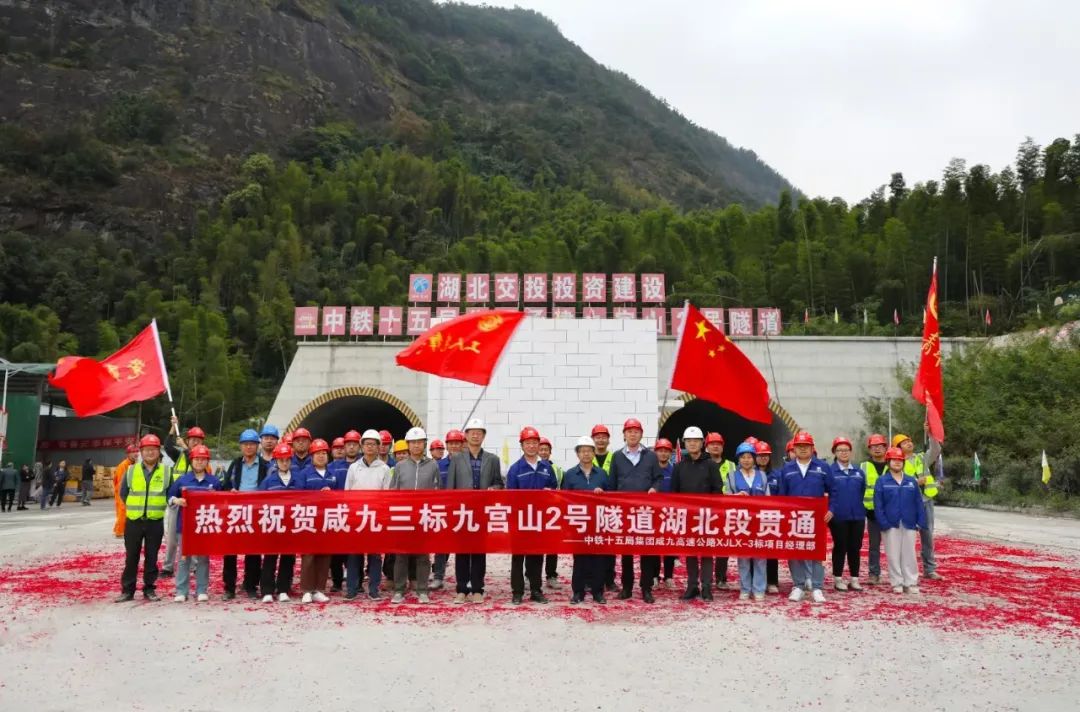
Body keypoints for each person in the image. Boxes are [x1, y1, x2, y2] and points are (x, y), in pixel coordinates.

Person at [445, 418, 504, 604]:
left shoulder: (493, 460)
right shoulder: (456, 459)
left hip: (482, 512)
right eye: (472, 431)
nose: (476, 434)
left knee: (479, 551)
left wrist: (495, 488)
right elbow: (450, 487)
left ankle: (478, 588)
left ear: (484, 436)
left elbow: (499, 483)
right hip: (462, 512)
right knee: (461, 551)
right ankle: (462, 589)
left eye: (479, 432)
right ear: (466, 435)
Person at [610, 417, 663, 604]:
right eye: (629, 431)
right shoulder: (617, 456)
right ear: (624, 435)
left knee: (646, 550)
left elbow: (658, 478)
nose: (632, 434)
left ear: (641, 434)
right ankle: (626, 587)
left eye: (636, 431)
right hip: (624, 510)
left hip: (645, 511)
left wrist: (654, 488)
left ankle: (646, 588)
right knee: (626, 551)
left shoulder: (650, 456)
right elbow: (612, 482)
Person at [116, 434, 174, 602]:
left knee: (152, 557)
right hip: (134, 521)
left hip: (154, 522)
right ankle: (128, 590)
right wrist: (138, 508)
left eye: (153, 450)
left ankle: (149, 589)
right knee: (131, 556)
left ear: (158, 452)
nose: (150, 453)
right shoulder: (131, 470)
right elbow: (123, 494)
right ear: (141, 452)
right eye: (147, 450)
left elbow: (170, 493)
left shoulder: (166, 471)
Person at [506, 426, 558, 605]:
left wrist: (549, 492)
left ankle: (536, 590)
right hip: (520, 520)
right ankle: (517, 591)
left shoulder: (546, 467)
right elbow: (510, 496)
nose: (531, 446)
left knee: (537, 556)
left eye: (534, 443)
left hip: (540, 520)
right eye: (527, 443)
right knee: (518, 557)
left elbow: (554, 490)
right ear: (522, 445)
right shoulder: (515, 469)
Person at [389, 427, 441, 605]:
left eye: (420, 442)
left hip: (424, 517)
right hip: (403, 516)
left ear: (424, 444)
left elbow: (438, 491)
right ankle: (398, 590)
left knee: (423, 556)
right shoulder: (400, 466)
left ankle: (422, 590)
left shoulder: (433, 465)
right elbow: (393, 491)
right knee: (401, 556)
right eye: (413, 442)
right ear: (408, 445)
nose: (417, 445)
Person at [778, 431, 831, 603]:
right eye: (799, 446)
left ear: (812, 448)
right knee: (795, 551)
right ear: (794, 448)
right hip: (794, 518)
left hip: (816, 519)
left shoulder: (822, 467)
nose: (802, 449)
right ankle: (798, 586)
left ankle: (817, 587)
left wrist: (832, 509)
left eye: (805, 446)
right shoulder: (787, 469)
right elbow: (781, 495)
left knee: (816, 553)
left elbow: (835, 491)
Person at [670, 426, 721, 601]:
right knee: (690, 552)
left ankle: (706, 587)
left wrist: (711, 510)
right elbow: (674, 493)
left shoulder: (711, 465)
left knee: (707, 553)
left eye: (696, 441)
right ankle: (692, 586)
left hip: (707, 517)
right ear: (685, 443)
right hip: (687, 517)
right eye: (689, 441)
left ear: (702, 443)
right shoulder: (679, 466)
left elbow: (717, 490)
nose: (692, 444)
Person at [167, 444, 222, 602]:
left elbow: (222, 504)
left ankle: (201, 589)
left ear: (207, 462)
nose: (199, 462)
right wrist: (177, 500)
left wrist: (215, 497)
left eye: (203, 459)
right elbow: (169, 497)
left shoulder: (214, 482)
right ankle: (181, 591)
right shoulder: (182, 480)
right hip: (185, 527)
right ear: (191, 461)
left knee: (203, 558)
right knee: (184, 558)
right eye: (196, 459)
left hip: (205, 527)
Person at [344, 430, 391, 600]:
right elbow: (347, 493)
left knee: (375, 556)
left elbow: (387, 495)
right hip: (357, 517)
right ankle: (352, 588)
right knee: (354, 555)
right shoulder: (353, 467)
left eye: (373, 444)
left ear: (379, 447)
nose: (370, 447)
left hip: (376, 518)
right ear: (361, 446)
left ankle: (373, 588)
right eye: (366, 444)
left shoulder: (385, 469)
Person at [221, 429, 268, 600]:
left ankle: (251, 586)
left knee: (254, 552)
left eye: (252, 444)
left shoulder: (264, 466)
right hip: (236, 512)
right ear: (241, 446)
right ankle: (229, 588)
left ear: (257, 446)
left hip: (256, 513)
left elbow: (269, 487)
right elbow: (225, 485)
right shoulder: (235, 464)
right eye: (245, 444)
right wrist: (230, 490)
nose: (249, 447)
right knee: (230, 551)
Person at [874, 446, 928, 594]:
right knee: (893, 554)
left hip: (909, 522)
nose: (897, 463)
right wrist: (883, 523)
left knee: (909, 553)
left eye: (900, 460)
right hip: (890, 524)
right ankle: (897, 582)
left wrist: (920, 522)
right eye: (894, 460)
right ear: (888, 462)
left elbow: (918, 502)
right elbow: (878, 505)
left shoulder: (911, 481)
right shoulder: (882, 481)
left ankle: (910, 582)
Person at [562, 435, 608, 605]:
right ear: (577, 454)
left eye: (589, 451)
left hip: (598, 523)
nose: (586, 454)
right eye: (582, 451)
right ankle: (578, 592)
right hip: (578, 524)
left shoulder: (602, 474)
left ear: (594, 453)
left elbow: (612, 499)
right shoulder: (570, 475)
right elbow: (564, 498)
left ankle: (598, 592)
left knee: (598, 560)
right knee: (579, 560)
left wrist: (602, 494)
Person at [894, 433, 944, 581]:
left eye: (909, 441)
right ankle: (904, 569)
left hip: (926, 500)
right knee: (906, 537)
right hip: (908, 503)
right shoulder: (896, 462)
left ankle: (929, 569)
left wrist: (931, 435)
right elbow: (897, 482)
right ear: (898, 448)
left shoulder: (921, 458)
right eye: (904, 443)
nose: (908, 443)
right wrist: (916, 482)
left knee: (927, 535)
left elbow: (935, 450)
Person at [728, 442, 770, 601]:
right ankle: (745, 588)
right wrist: (735, 497)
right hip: (741, 522)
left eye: (749, 457)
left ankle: (759, 588)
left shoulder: (763, 476)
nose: (746, 460)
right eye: (743, 457)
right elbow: (725, 498)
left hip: (760, 522)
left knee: (760, 556)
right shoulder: (732, 476)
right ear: (738, 459)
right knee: (744, 557)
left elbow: (768, 499)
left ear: (754, 459)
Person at [259, 443, 301, 602]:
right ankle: (267, 590)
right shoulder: (268, 481)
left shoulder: (298, 480)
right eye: (281, 460)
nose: (284, 462)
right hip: (273, 525)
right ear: (275, 461)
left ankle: (283, 589)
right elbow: (259, 501)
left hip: (291, 525)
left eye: (287, 459)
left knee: (288, 558)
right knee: (270, 558)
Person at [162, 422, 205, 577]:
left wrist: (186, 449)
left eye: (198, 440)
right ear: (187, 440)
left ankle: (193, 566)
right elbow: (167, 447)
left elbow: (194, 462)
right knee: (172, 537)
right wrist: (173, 427)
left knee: (191, 537)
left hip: (193, 504)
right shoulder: (180, 455)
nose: (194, 442)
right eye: (192, 439)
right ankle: (168, 567)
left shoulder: (202, 458)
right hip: (176, 502)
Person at [297, 438, 336, 604]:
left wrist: (331, 494)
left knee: (324, 555)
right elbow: (298, 496)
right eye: (317, 454)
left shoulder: (332, 475)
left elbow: (341, 497)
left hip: (327, 521)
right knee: (308, 556)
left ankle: (319, 589)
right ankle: (307, 589)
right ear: (311, 456)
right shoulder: (304, 474)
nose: (321, 456)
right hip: (309, 519)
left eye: (323, 453)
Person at [827, 436, 867, 592]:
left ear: (851, 452)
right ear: (834, 453)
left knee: (855, 547)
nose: (843, 453)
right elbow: (828, 493)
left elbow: (862, 491)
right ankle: (838, 578)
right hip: (838, 516)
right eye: (840, 450)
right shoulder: (830, 472)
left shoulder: (858, 472)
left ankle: (854, 579)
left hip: (857, 515)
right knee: (840, 546)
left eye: (846, 450)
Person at [328, 430, 363, 593]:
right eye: (348, 444)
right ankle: (336, 582)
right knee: (337, 550)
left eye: (354, 444)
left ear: (359, 446)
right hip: (337, 513)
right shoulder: (332, 467)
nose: (351, 447)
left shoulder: (364, 465)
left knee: (357, 551)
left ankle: (358, 582)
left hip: (358, 513)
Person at [431, 429, 465, 589]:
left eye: (457, 443)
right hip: (444, 511)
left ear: (462, 444)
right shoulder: (438, 465)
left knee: (462, 547)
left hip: (463, 511)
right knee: (441, 546)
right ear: (447, 445)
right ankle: (438, 576)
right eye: (451, 443)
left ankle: (463, 579)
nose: (454, 446)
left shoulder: (468, 464)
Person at [591, 423, 618, 592]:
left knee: (609, 546)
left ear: (608, 440)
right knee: (590, 545)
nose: (600, 440)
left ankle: (609, 579)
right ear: (593, 440)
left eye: (603, 437)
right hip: (590, 510)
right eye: (597, 437)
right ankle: (590, 579)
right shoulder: (586, 456)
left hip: (609, 510)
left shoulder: (614, 458)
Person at [706, 432, 735, 590]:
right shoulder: (703, 464)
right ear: (707, 447)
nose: (715, 446)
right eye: (712, 444)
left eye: (718, 443)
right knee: (708, 545)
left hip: (725, 510)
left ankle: (721, 578)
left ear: (723, 447)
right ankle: (707, 578)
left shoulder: (731, 465)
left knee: (723, 546)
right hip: (707, 510)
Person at [860, 434, 889, 585]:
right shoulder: (864, 466)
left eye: (880, 446)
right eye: (874, 446)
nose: (877, 449)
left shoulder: (893, 464)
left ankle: (896, 574)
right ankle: (874, 573)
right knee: (874, 546)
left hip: (891, 513)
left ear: (886, 447)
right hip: (871, 513)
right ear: (869, 449)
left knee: (894, 546)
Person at [755, 441, 781, 593]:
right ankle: (756, 580)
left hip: (772, 517)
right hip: (754, 518)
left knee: (771, 550)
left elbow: (783, 495)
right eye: (760, 455)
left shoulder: (777, 475)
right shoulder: (751, 474)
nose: (763, 458)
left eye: (766, 456)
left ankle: (772, 581)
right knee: (755, 551)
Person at [538, 436, 564, 590]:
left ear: (550, 452)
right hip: (534, 513)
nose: (543, 452)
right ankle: (530, 576)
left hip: (552, 513)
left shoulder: (556, 470)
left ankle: (551, 576)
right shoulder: (531, 466)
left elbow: (559, 488)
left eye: (546, 450)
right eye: (541, 449)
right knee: (534, 547)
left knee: (552, 547)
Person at [653, 438, 677, 588]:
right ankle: (654, 576)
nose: (663, 453)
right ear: (656, 452)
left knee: (669, 545)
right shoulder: (651, 469)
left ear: (670, 453)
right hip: (653, 513)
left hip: (670, 513)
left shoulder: (675, 470)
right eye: (660, 450)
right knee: (654, 545)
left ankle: (668, 577)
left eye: (666, 451)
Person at [112, 445, 139, 536]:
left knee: (126, 511)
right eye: (133, 452)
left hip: (131, 492)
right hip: (121, 491)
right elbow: (120, 483)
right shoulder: (123, 465)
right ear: (128, 454)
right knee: (122, 510)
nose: (136, 454)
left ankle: (118, 529)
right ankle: (119, 532)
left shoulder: (134, 464)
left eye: (137, 451)